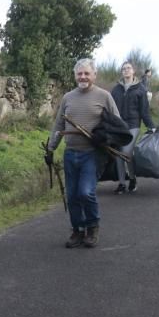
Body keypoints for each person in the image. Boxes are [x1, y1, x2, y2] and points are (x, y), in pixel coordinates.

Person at [46, 58, 121, 248]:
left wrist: (103, 137)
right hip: (71, 154)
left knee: (85, 192)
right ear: (75, 76)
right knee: (72, 195)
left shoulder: (104, 96)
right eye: (79, 73)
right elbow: (59, 124)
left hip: (92, 154)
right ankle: (77, 230)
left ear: (94, 75)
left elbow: (117, 124)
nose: (83, 77)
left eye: (87, 73)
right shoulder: (68, 97)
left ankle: (92, 226)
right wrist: (51, 148)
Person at [109, 61, 155, 194]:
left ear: (133, 71)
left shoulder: (140, 89)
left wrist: (151, 126)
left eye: (128, 68)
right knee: (119, 154)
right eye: (123, 69)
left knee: (126, 152)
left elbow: (144, 111)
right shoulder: (116, 89)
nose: (126, 70)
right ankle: (122, 183)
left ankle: (133, 178)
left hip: (133, 125)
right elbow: (110, 108)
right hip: (119, 126)